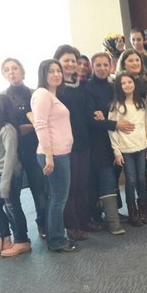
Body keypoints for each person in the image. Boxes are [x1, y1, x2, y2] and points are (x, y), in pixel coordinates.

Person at [31, 60, 79, 252]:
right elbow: (40, 125)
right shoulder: (42, 94)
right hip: (54, 154)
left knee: (56, 198)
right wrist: (49, 155)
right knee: (59, 199)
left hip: (60, 153)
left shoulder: (51, 95)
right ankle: (57, 241)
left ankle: (55, 237)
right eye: (51, 71)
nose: (56, 74)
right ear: (43, 74)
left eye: (58, 71)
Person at [0, 58, 47, 238]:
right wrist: (19, 129)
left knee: (39, 188)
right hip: (13, 150)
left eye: (14, 68)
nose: (11, 72)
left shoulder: (35, 93)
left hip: (34, 147)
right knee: (13, 193)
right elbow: (1, 126)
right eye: (7, 70)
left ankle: (43, 224)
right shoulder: (1, 98)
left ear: (22, 71)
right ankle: (20, 234)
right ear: (4, 74)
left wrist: (31, 127)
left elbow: (42, 120)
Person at [55, 44, 97, 241]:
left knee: (82, 184)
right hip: (64, 144)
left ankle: (84, 220)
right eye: (66, 60)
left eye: (73, 60)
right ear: (58, 62)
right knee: (69, 186)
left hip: (83, 140)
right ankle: (72, 226)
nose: (71, 64)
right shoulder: (55, 88)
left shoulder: (82, 85)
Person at [83, 52, 127, 234]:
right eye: (98, 65)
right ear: (92, 67)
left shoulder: (113, 86)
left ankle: (112, 212)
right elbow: (91, 119)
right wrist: (114, 123)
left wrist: (105, 115)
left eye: (105, 65)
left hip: (115, 140)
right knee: (105, 178)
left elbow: (119, 108)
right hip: (98, 141)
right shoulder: (88, 88)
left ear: (111, 67)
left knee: (114, 176)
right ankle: (111, 221)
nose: (102, 68)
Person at [0, 94, 31, 257]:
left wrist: (5, 182)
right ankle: (4, 238)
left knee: (13, 208)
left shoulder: (7, 130)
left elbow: (10, 158)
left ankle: (22, 240)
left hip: (8, 176)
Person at [109, 71, 147, 226]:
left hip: (142, 147)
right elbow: (112, 131)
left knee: (142, 179)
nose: (127, 85)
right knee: (131, 180)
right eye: (123, 83)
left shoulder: (141, 103)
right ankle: (132, 212)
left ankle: (143, 210)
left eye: (129, 82)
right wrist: (116, 152)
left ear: (134, 84)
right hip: (125, 149)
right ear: (119, 86)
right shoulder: (116, 106)